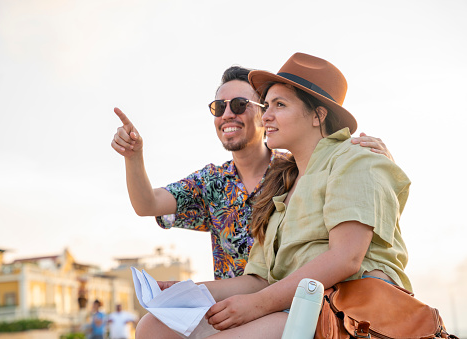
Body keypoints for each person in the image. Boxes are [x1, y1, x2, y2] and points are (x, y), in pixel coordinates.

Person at [134, 52, 412, 339]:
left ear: (318, 115)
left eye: (279, 105)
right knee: (154, 327)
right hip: (288, 306)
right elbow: (259, 279)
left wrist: (257, 305)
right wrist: (185, 292)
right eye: (266, 106)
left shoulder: (355, 160)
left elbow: (346, 258)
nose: (266, 115)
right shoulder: (281, 183)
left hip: (343, 309)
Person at [111, 66, 392, 280]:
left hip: (297, 304)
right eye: (219, 107)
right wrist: (134, 157)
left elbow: (359, 215)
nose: (227, 114)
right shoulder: (211, 183)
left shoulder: (301, 169)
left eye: (239, 105)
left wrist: (381, 160)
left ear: (262, 113)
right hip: (235, 308)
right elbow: (147, 204)